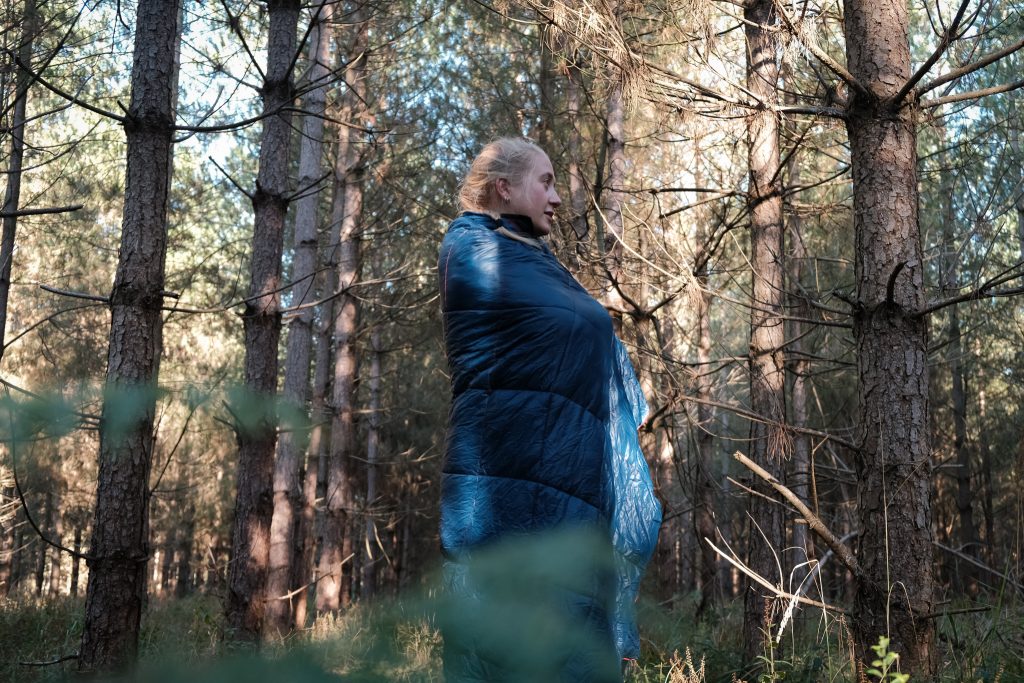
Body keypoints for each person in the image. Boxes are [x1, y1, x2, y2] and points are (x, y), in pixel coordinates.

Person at [437, 137, 661, 682]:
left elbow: (581, 328)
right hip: (506, 474)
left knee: (572, 629)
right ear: (504, 188)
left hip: (567, 474)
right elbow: (562, 327)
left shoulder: (535, 259)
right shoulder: (472, 248)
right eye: (547, 181)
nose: (557, 197)